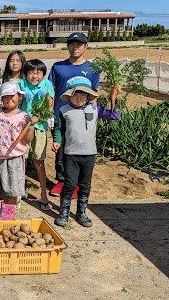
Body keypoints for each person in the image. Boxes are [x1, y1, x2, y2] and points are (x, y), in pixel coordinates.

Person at [52, 77, 121, 227]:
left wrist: (114, 97)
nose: (79, 98)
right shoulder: (64, 110)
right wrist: (57, 141)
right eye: (76, 94)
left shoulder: (95, 109)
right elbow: (59, 129)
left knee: (85, 184)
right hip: (70, 154)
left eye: (83, 95)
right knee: (69, 183)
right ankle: (64, 212)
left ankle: (81, 212)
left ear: (88, 96)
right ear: (70, 95)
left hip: (89, 154)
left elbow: (114, 116)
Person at [48, 32, 99, 196]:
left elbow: (94, 94)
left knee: (78, 147)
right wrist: (49, 112)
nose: (75, 47)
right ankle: (62, 181)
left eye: (79, 44)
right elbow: (50, 91)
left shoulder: (92, 69)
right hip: (62, 114)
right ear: (68, 46)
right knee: (60, 147)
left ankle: (76, 184)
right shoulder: (58, 67)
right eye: (72, 44)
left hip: (82, 116)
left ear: (86, 46)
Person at [0, 81, 38, 220]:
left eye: (12, 96)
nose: (8, 99)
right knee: (5, 187)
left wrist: (31, 126)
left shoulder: (23, 116)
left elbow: (27, 139)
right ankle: (5, 209)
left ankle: (8, 215)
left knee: (12, 188)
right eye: (5, 97)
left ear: (20, 97)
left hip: (14, 157)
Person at [19, 59, 55, 211]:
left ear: (43, 74)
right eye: (31, 72)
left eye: (38, 72)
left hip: (39, 127)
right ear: (26, 74)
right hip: (22, 127)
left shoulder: (47, 85)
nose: (35, 76)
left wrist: (37, 118)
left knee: (38, 160)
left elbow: (50, 105)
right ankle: (19, 192)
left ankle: (43, 194)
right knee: (21, 159)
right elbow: (17, 103)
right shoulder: (21, 84)